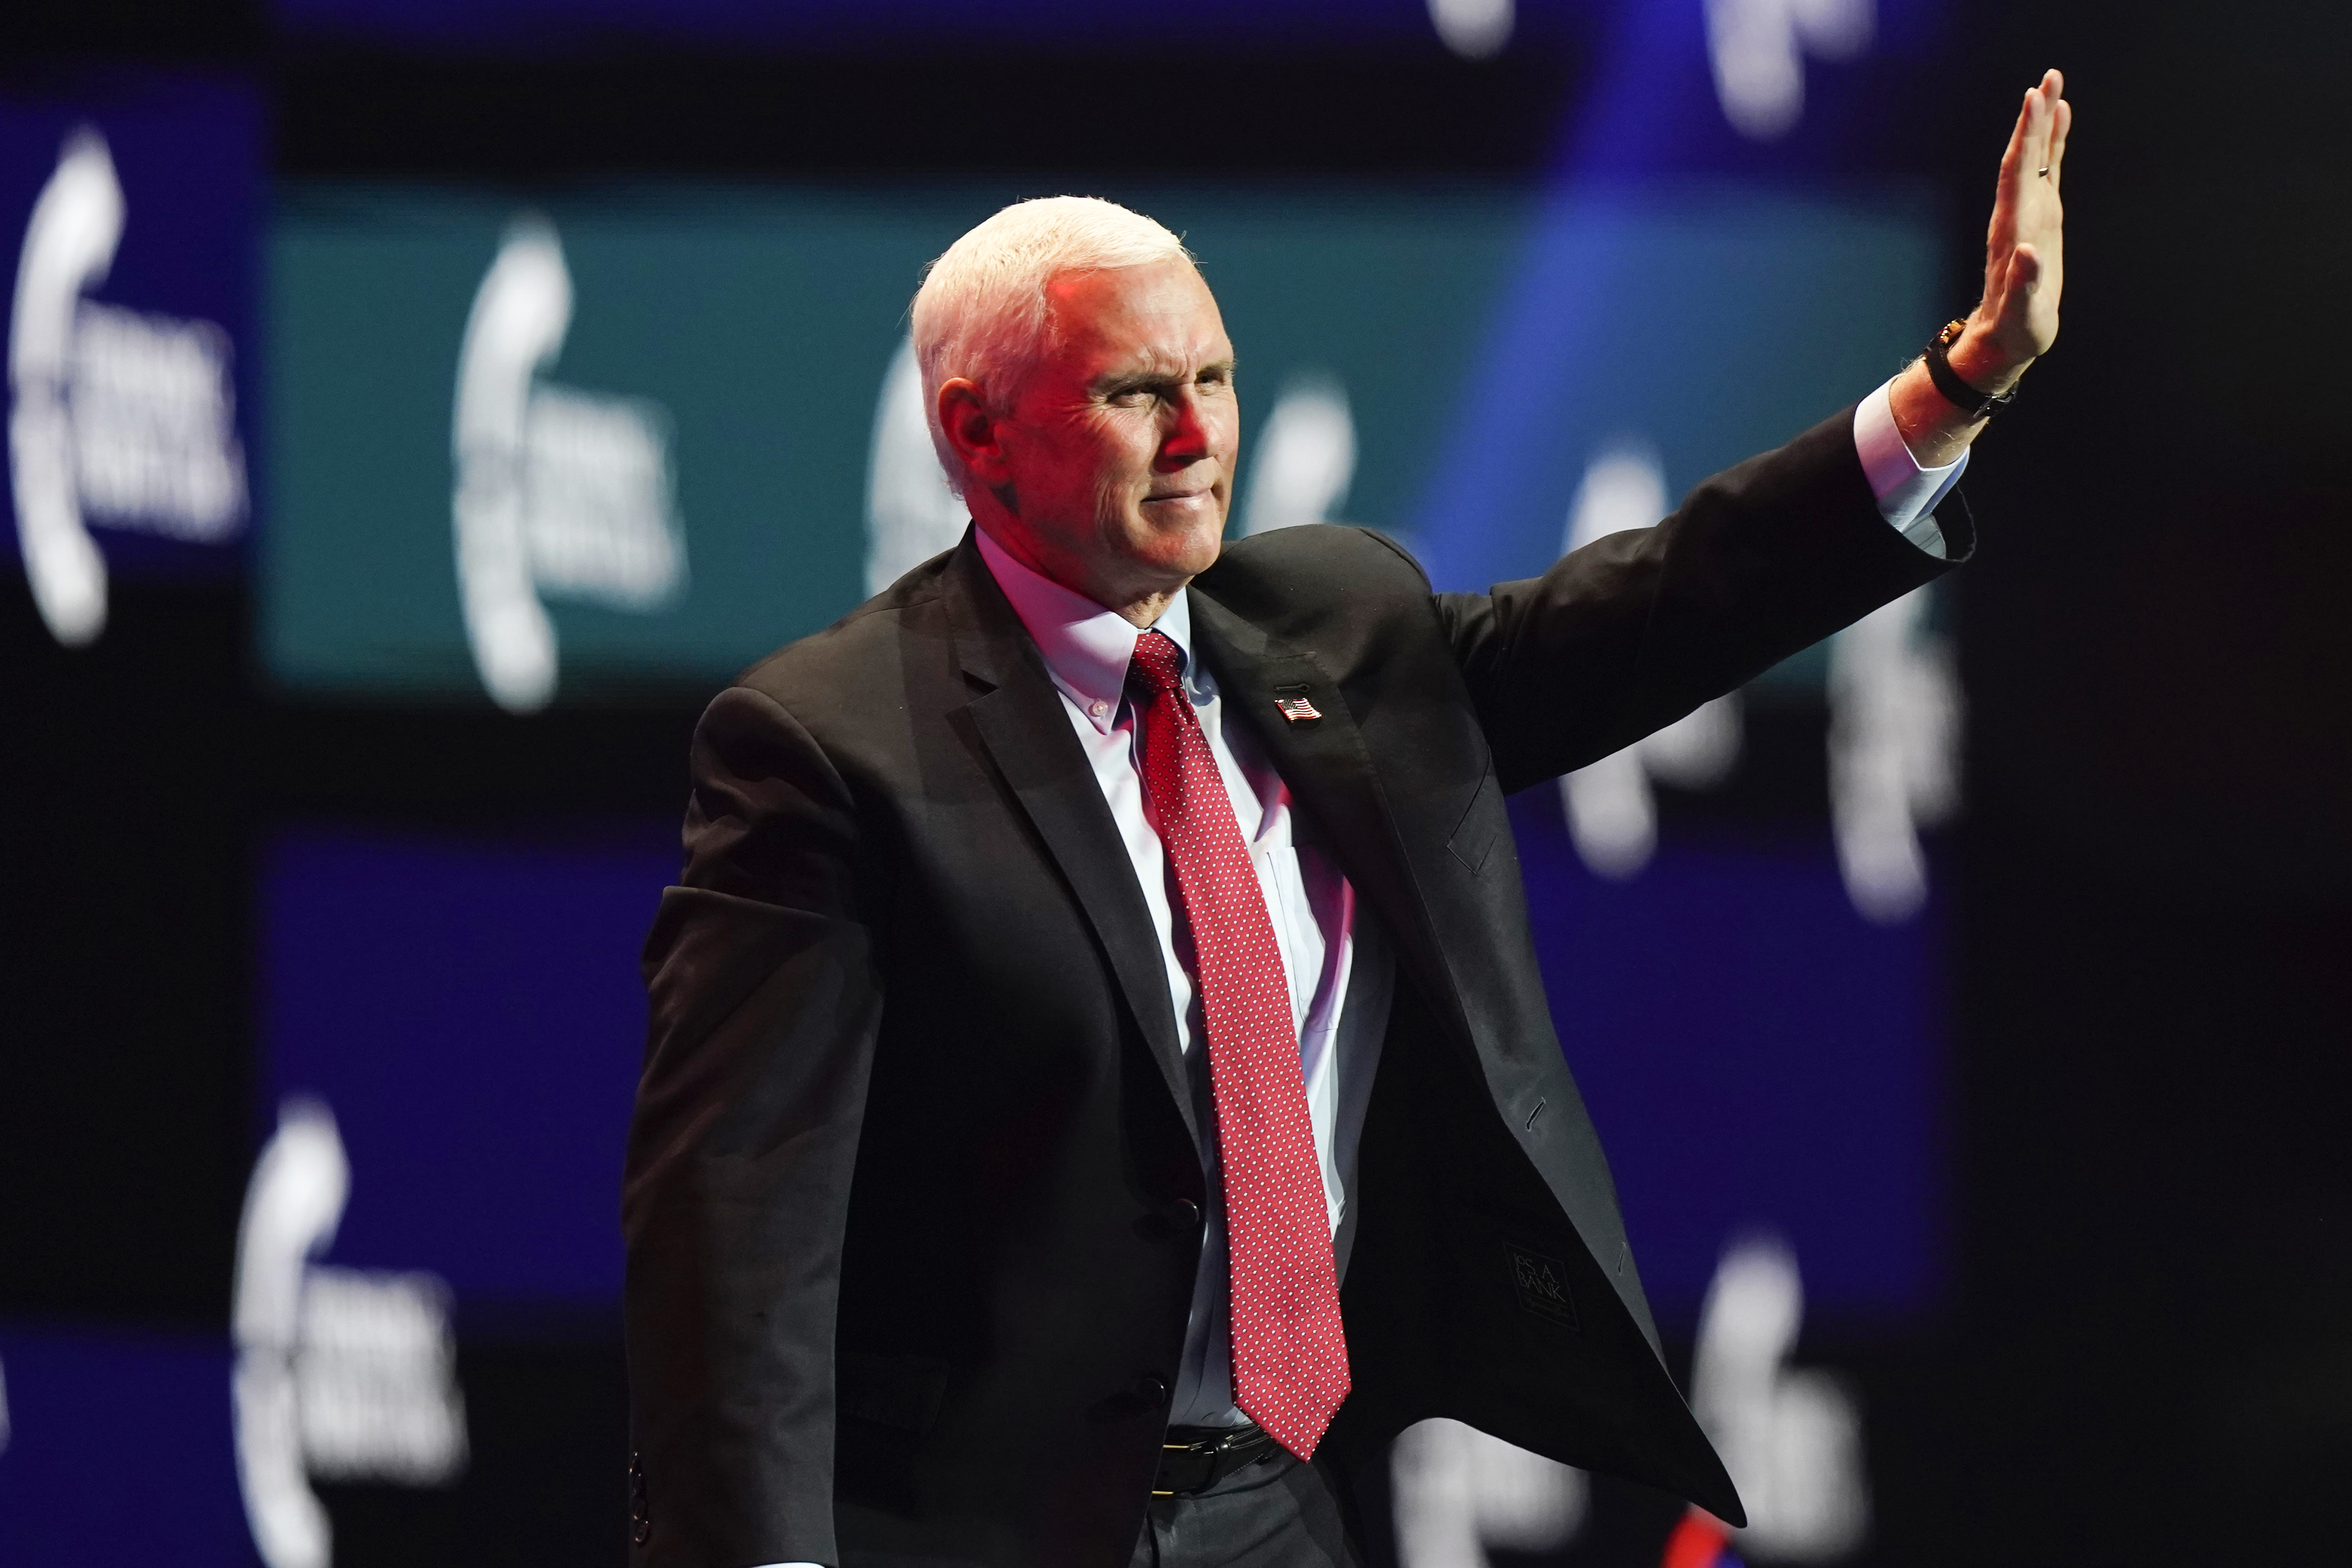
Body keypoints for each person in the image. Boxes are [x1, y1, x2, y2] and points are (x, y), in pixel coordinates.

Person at [622, 71, 2072, 1568]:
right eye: (1135, 393)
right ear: (977, 434)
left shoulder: (1335, 625)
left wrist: (1955, 385)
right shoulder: (828, 745)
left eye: (1215, 379)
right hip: (970, 1525)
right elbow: (733, 1222)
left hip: (1272, 1510)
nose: (1197, 436)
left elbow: (1659, 605)